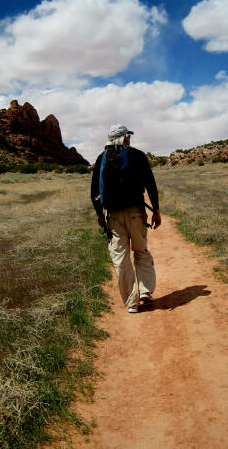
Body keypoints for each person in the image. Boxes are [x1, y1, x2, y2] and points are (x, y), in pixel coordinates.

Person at [91, 123, 161, 313]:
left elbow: (95, 190)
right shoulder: (137, 155)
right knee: (141, 251)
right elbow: (150, 183)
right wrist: (156, 209)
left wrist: (99, 213)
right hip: (136, 213)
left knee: (121, 259)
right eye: (128, 136)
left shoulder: (101, 158)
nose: (129, 139)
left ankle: (131, 302)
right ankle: (145, 291)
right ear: (124, 137)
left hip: (113, 216)